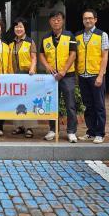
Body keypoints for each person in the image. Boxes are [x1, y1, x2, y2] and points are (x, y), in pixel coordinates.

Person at [39, 10, 78, 143]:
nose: (56, 22)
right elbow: (41, 54)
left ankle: (71, 131)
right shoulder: (45, 38)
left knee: (70, 105)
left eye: (59, 19)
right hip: (51, 77)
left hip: (67, 76)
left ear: (63, 21)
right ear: (50, 21)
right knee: (51, 104)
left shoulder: (69, 36)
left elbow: (73, 54)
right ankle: (53, 130)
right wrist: (47, 66)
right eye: (53, 19)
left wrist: (64, 70)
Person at [75, 9, 109, 144]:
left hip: (96, 75)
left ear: (95, 20)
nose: (87, 20)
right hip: (83, 76)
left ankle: (100, 133)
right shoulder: (78, 36)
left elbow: (105, 56)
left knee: (99, 106)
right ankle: (91, 132)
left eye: (90, 18)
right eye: (85, 18)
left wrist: (101, 75)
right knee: (88, 106)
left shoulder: (102, 35)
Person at [9, 17, 37, 138]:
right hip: (15, 76)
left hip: (27, 75)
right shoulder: (11, 44)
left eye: (21, 26)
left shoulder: (30, 42)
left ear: (25, 28)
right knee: (17, 101)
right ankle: (19, 126)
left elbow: (34, 58)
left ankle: (29, 127)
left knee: (28, 101)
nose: (18, 29)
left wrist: (32, 68)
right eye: (16, 27)